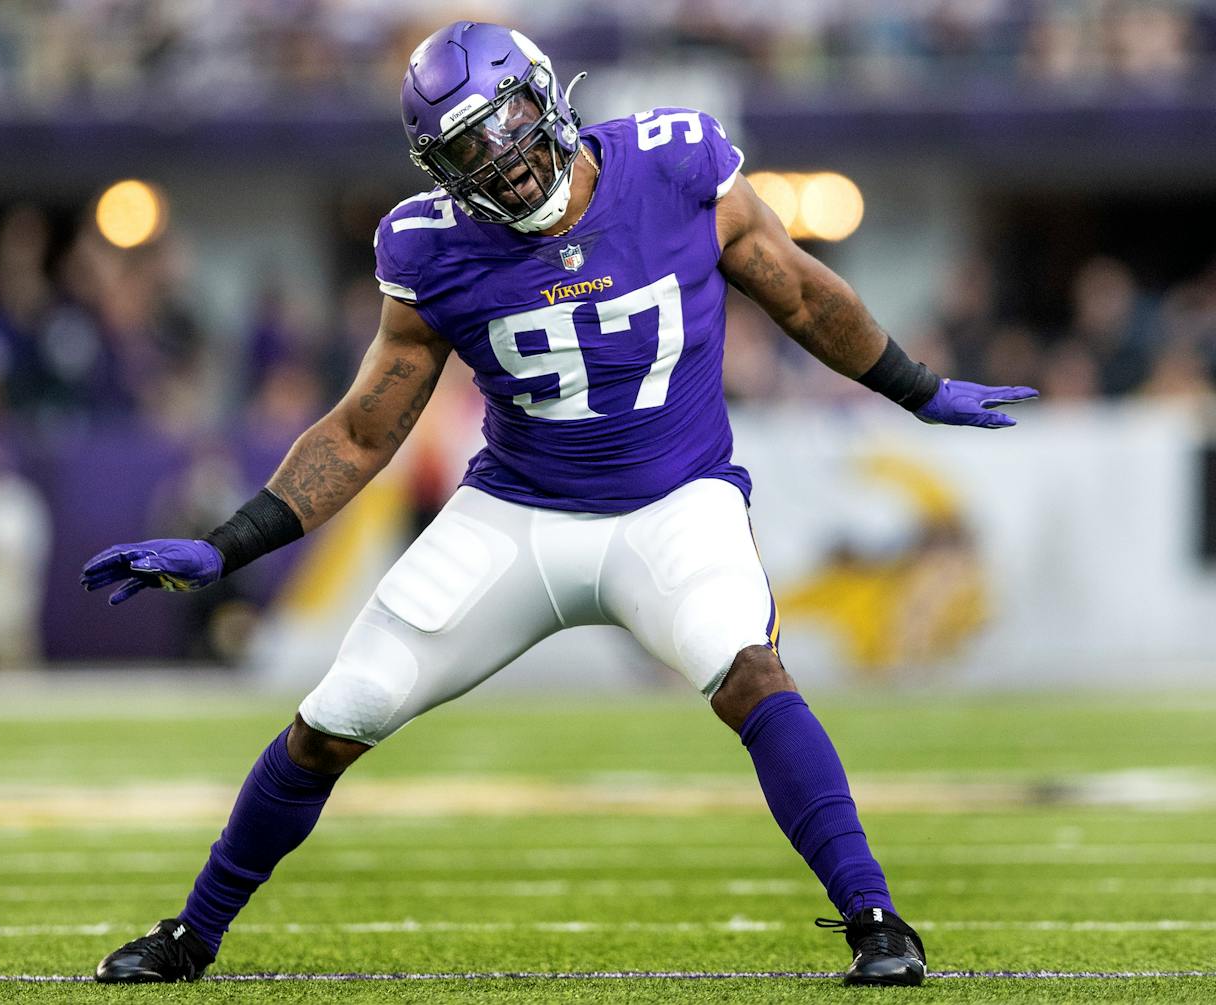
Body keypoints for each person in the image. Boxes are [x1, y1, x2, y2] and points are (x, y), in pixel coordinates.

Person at [82, 21, 1036, 987]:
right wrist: (228, 546)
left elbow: (797, 292)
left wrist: (917, 387)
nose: (500, 162)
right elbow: (364, 430)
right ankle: (190, 937)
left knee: (748, 671)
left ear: (547, 95)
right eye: (466, 152)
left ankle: (879, 920)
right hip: (520, 516)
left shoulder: (674, 165)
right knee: (338, 712)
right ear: (438, 168)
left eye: (505, 125)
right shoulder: (431, 248)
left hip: (675, 503)